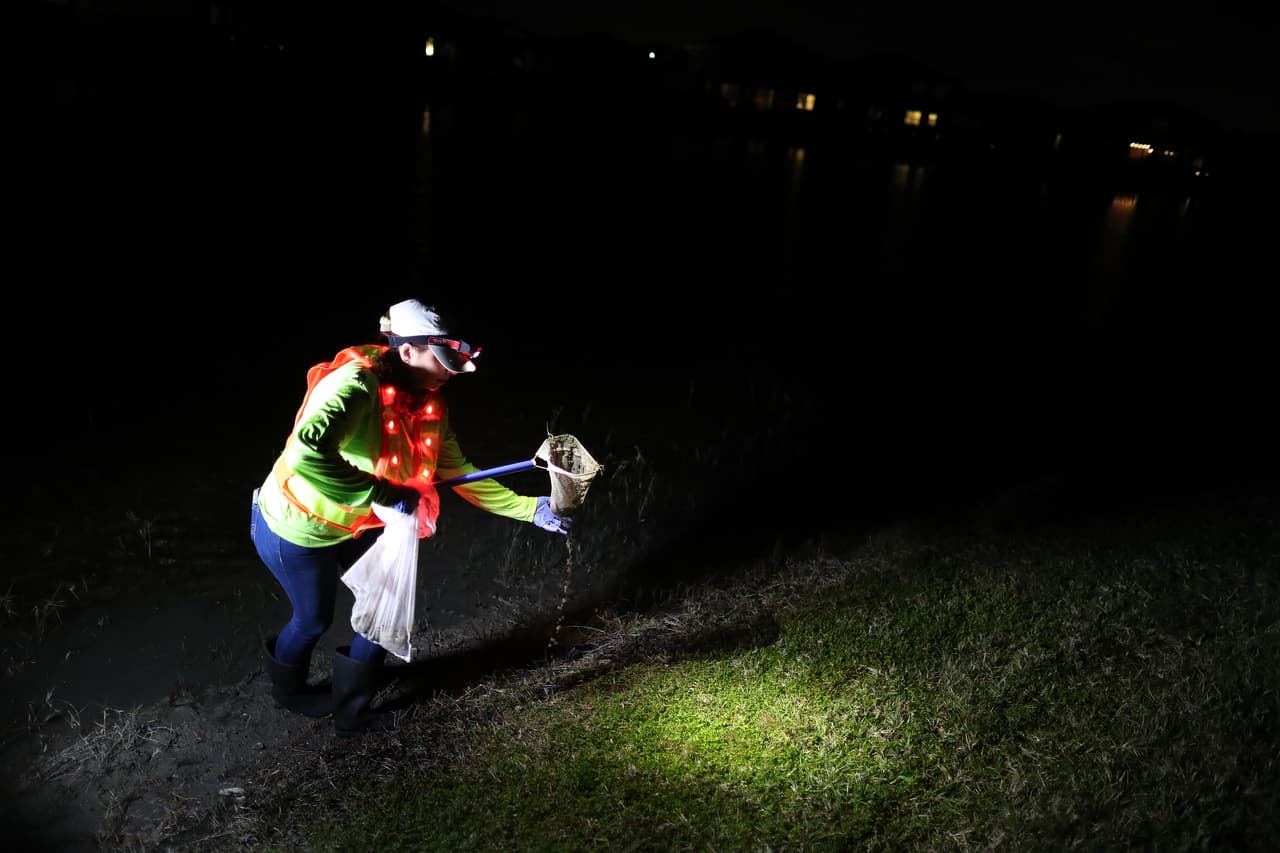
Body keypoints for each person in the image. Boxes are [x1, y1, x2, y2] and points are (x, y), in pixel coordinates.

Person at [249, 298, 573, 737]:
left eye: (456, 363)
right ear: (406, 352)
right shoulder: (353, 387)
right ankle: (289, 694)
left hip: (363, 521)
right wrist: (382, 491)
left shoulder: (429, 402)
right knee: (313, 619)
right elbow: (306, 455)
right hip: (297, 525)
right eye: (442, 361)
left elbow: (457, 471)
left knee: (384, 608)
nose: (449, 373)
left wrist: (528, 509)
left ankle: (352, 711)